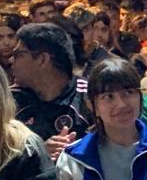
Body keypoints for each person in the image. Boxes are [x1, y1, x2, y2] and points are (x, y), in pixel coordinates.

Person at [11, 23, 92, 160]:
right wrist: (39, 154)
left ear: (43, 59)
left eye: (18, 54)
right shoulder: (11, 100)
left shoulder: (89, 97)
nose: (10, 60)